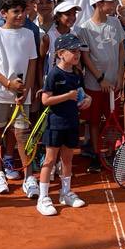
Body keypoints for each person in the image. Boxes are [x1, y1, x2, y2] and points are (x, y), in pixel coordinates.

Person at [0, 0, 39, 197]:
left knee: (22, 134)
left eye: (23, 11)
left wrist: (27, 90)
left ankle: (29, 176)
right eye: (16, 12)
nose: (21, 15)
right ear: (3, 13)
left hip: (22, 95)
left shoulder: (28, 35)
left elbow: (33, 64)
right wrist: (8, 83)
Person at [37, 33, 92, 216]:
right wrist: (67, 96)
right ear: (61, 53)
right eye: (73, 51)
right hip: (55, 124)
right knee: (50, 160)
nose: (77, 54)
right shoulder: (54, 74)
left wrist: (88, 100)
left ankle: (65, 193)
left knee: (67, 160)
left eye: (78, 51)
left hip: (72, 123)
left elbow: (81, 95)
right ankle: (43, 197)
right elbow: (45, 100)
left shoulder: (77, 74)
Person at [75, 0, 125, 172]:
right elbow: (86, 57)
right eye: (110, 1)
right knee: (94, 121)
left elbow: (121, 50)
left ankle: (110, 154)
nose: (114, 4)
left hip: (113, 84)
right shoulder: (84, 28)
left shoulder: (115, 23)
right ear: (99, 3)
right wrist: (100, 79)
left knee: (110, 120)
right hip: (94, 85)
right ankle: (97, 155)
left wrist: (119, 76)